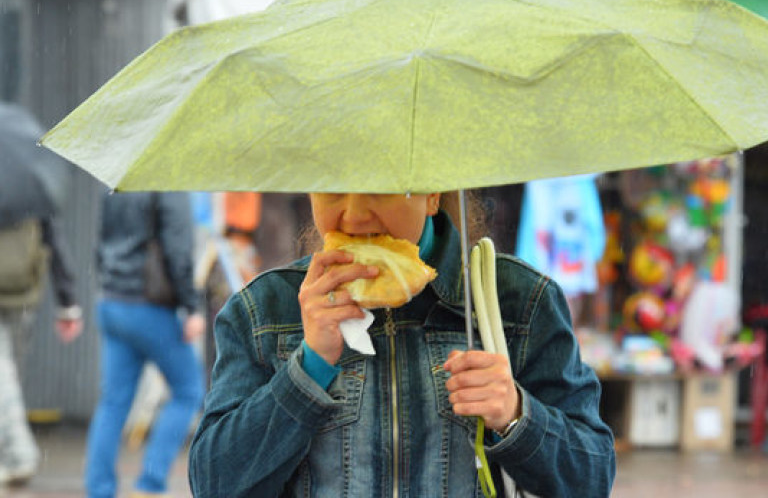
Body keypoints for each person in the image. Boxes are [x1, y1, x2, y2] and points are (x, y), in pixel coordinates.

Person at [188, 191, 616, 497]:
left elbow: (592, 477)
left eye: (380, 188)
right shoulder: (265, 309)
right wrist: (309, 366)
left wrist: (517, 415)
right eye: (333, 188)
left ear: (431, 194)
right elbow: (214, 483)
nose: (354, 216)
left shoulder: (520, 300)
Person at [86, 191, 206, 498]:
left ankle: (99, 490)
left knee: (113, 401)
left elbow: (100, 244)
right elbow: (178, 250)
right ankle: (150, 483)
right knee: (188, 390)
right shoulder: (168, 187)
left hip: (112, 301)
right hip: (149, 305)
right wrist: (192, 306)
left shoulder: (117, 184)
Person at [0, 215, 83, 487]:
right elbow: (53, 239)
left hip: (17, 295)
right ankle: (12, 453)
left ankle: (18, 456)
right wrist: (67, 300)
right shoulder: (31, 182)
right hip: (21, 292)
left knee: (5, 377)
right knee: (9, 375)